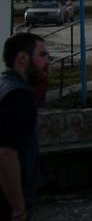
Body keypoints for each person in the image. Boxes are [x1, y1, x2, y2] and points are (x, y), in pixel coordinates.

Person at [0, 33, 49, 221]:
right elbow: (6, 155)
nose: (47, 61)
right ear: (22, 58)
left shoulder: (5, 84)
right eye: (42, 55)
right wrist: (18, 208)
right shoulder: (18, 96)